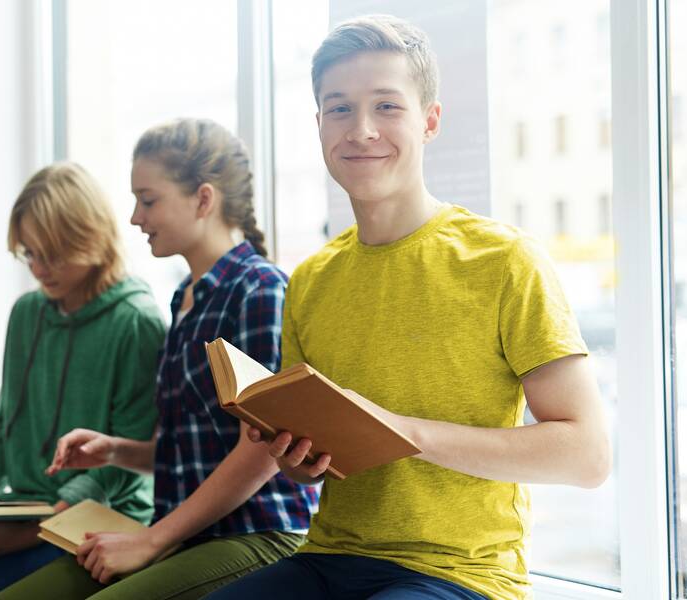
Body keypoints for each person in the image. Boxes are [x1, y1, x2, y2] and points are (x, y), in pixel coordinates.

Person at [207, 14, 612, 600]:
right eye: (340, 108)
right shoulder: (312, 279)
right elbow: (309, 462)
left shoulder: (504, 260)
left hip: (462, 574)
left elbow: (587, 455)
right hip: (329, 559)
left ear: (430, 121)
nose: (362, 129)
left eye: (387, 107)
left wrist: (404, 431)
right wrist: (297, 457)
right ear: (319, 124)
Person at [0, 118, 319, 600]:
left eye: (148, 200)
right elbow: (198, 449)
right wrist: (117, 450)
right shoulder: (186, 298)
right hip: (189, 534)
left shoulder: (260, 290)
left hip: (257, 534)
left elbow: (261, 454)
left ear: (203, 200)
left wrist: (152, 539)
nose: (134, 218)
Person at [0, 162, 166, 600]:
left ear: (90, 238)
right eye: (29, 253)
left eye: (51, 254)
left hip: (96, 524)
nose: (38, 268)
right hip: (18, 510)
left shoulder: (136, 323)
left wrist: (36, 531)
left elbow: (123, 465)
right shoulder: (26, 315)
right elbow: (3, 434)